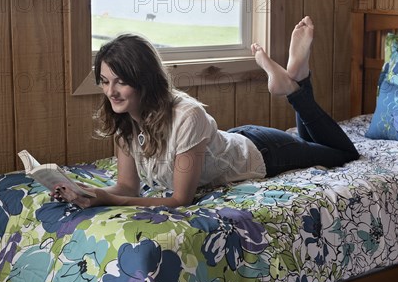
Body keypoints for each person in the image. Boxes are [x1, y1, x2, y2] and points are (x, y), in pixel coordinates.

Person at [53, 16, 359, 208]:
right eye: (105, 82)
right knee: (319, 146)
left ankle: (295, 87)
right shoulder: (124, 119)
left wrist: (107, 200)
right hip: (231, 142)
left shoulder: (188, 116)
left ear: (143, 79)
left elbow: (179, 200)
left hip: (264, 152)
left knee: (343, 154)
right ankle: (298, 77)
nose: (111, 92)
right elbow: (127, 187)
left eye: (121, 82)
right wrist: (87, 192)